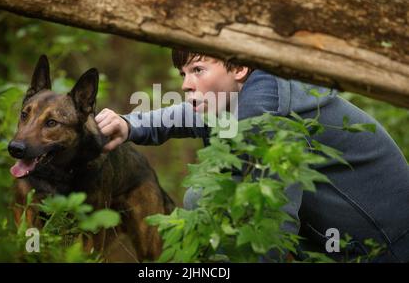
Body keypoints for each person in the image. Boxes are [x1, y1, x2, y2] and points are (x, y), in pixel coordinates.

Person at [95, 49, 409, 262]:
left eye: (198, 70)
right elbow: (190, 114)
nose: (186, 85)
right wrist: (129, 124)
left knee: (209, 200)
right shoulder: (252, 93)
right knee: (202, 198)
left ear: (240, 68)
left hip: (386, 246)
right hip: (342, 239)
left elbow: (274, 217)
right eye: (183, 73)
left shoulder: (271, 118)